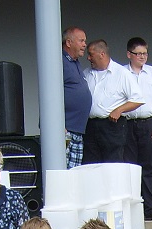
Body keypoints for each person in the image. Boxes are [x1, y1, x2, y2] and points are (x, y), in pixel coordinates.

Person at [123, 37, 152, 221]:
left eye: (145, 53)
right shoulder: (121, 73)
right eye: (138, 53)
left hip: (149, 123)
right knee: (129, 168)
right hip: (127, 124)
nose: (142, 57)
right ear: (129, 54)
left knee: (150, 167)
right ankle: (132, 210)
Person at [83, 39, 142, 164]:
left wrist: (119, 110)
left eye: (91, 54)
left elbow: (138, 99)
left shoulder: (121, 73)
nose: (88, 58)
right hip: (90, 126)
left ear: (102, 54)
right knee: (91, 164)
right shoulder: (86, 74)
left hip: (112, 126)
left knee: (112, 164)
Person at [62, 27, 92, 169]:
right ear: (69, 42)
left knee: (73, 174)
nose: (84, 45)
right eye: (81, 41)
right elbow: (49, 96)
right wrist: (58, 125)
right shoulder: (59, 62)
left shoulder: (74, 62)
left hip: (76, 130)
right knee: (63, 173)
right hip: (65, 130)